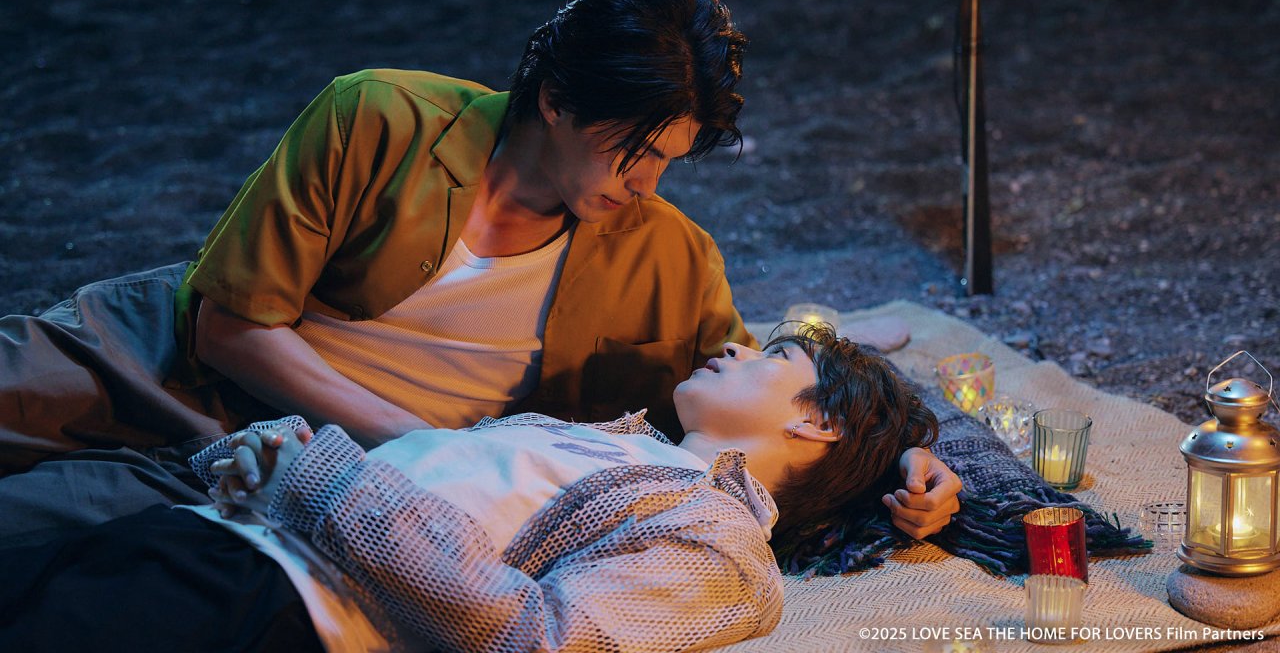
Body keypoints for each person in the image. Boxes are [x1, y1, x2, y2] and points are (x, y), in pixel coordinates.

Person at [0, 0, 958, 541]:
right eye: (632, 152)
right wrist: (424, 447)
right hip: (152, 361)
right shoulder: (378, 116)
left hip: (297, 472)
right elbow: (229, 327)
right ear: (556, 100)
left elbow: (790, 402)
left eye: (668, 160)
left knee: (49, 539)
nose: (647, 184)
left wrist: (914, 456)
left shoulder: (668, 257)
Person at [0, 326, 939, 653]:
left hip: (270, 602)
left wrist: (318, 478)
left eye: (773, 354)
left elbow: (538, 637)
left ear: (819, 424)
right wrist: (264, 462)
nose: (735, 343)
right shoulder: (605, 440)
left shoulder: (722, 551)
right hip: (197, 532)